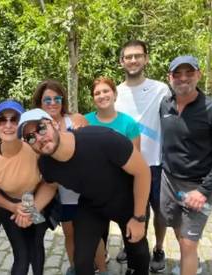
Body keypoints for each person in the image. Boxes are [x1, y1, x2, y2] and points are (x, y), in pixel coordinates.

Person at [17, 108, 151, 275]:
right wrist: (32, 210)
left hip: (128, 202)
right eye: (30, 137)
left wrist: (139, 218)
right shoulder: (46, 163)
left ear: (54, 125)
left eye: (41, 129)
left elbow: (143, 172)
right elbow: (50, 185)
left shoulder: (101, 138)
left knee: (138, 254)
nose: (39, 138)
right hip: (92, 205)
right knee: (81, 261)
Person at [160, 55, 212, 275]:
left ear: (199, 74)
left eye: (189, 72)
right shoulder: (165, 104)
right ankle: (191, 263)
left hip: (198, 187)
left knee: (188, 243)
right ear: (170, 77)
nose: (183, 78)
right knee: (178, 231)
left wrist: (204, 191)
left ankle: (189, 265)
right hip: (168, 182)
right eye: (177, 73)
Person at [115, 39, 171, 273]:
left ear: (146, 58)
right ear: (121, 62)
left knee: (159, 211)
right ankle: (133, 245)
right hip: (125, 165)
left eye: (138, 55)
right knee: (128, 210)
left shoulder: (161, 89)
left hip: (155, 164)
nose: (133, 60)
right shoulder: (115, 92)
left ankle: (158, 248)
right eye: (128, 56)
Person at [0, 99, 49, 275]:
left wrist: (29, 208)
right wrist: (14, 207)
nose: (8, 125)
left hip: (34, 200)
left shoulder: (34, 147)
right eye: (2, 119)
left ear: (22, 123)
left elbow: (48, 181)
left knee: (36, 245)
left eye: (14, 119)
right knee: (22, 255)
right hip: (8, 205)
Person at [85, 76, 141, 273]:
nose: (102, 96)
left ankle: (133, 268)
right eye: (97, 93)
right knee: (99, 236)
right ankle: (101, 263)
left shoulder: (129, 124)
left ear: (115, 94)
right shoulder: (85, 121)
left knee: (134, 242)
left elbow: (137, 163)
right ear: (93, 98)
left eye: (106, 91)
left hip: (122, 192)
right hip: (95, 193)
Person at [32, 79, 88, 275]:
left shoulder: (76, 120)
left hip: (83, 188)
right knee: (66, 233)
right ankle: (74, 268)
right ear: (39, 103)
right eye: (47, 100)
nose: (53, 103)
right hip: (51, 191)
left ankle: (101, 267)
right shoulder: (33, 128)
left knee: (91, 232)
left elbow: (92, 149)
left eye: (57, 98)